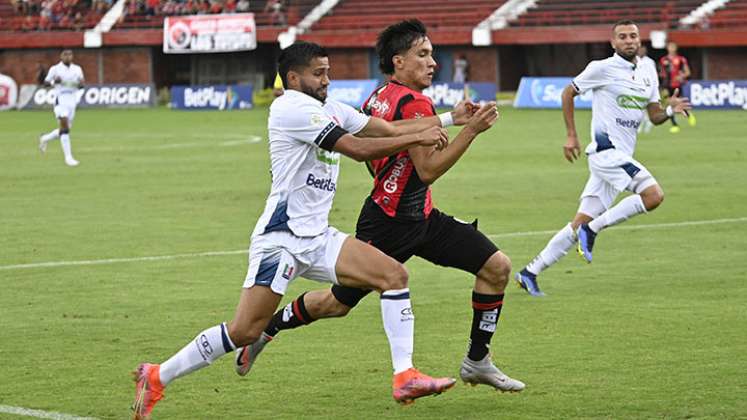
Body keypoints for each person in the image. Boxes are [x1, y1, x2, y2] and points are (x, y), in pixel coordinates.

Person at [131, 41, 468, 419]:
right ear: (294, 77)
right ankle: (157, 374)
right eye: (318, 73)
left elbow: (385, 128)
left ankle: (404, 375)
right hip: (282, 240)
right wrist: (416, 139)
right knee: (244, 330)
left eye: (328, 71)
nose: (327, 79)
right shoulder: (291, 107)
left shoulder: (330, 107)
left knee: (394, 275)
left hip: (317, 236)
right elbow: (356, 148)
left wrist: (451, 118)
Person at [233, 19, 525, 396]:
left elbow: (385, 154)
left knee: (495, 266)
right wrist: (469, 131)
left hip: (419, 216)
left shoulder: (379, 96)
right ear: (398, 61)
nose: (432, 62)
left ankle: (477, 360)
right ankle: (267, 329)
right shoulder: (414, 102)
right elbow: (428, 169)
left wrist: (449, 122)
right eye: (423, 54)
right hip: (389, 223)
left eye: (432, 54)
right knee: (335, 304)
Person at [514, 20, 692, 297]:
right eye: (622, 37)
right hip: (605, 153)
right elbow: (568, 92)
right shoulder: (602, 68)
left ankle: (529, 273)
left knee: (577, 223)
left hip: (619, 159)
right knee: (653, 196)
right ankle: (593, 230)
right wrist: (571, 135)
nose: (629, 41)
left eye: (633, 35)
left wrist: (669, 112)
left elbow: (654, 115)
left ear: (639, 40)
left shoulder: (647, 69)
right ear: (613, 43)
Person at [38, 49, 83, 167]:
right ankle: (68, 158)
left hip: (72, 101)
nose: (68, 57)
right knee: (65, 128)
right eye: (65, 55)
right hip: (60, 100)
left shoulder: (77, 69)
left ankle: (44, 138)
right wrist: (54, 81)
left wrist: (80, 84)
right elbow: (45, 83)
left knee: (64, 130)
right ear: (61, 57)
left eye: (70, 54)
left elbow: (81, 83)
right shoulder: (55, 69)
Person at [659, 41, 696, 133]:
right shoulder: (663, 60)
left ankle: (688, 115)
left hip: (676, 85)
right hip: (666, 85)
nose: (671, 48)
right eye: (670, 46)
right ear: (667, 48)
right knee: (668, 104)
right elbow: (662, 72)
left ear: (676, 48)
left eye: (673, 46)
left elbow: (688, 72)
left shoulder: (681, 59)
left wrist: (681, 76)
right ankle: (675, 125)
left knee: (679, 103)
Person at [636, 45, 655, 134]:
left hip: (647, 86)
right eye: (639, 50)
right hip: (637, 86)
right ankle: (642, 124)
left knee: (646, 106)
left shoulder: (650, 61)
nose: (641, 51)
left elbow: (653, 75)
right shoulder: (634, 60)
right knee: (639, 107)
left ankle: (647, 122)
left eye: (643, 50)